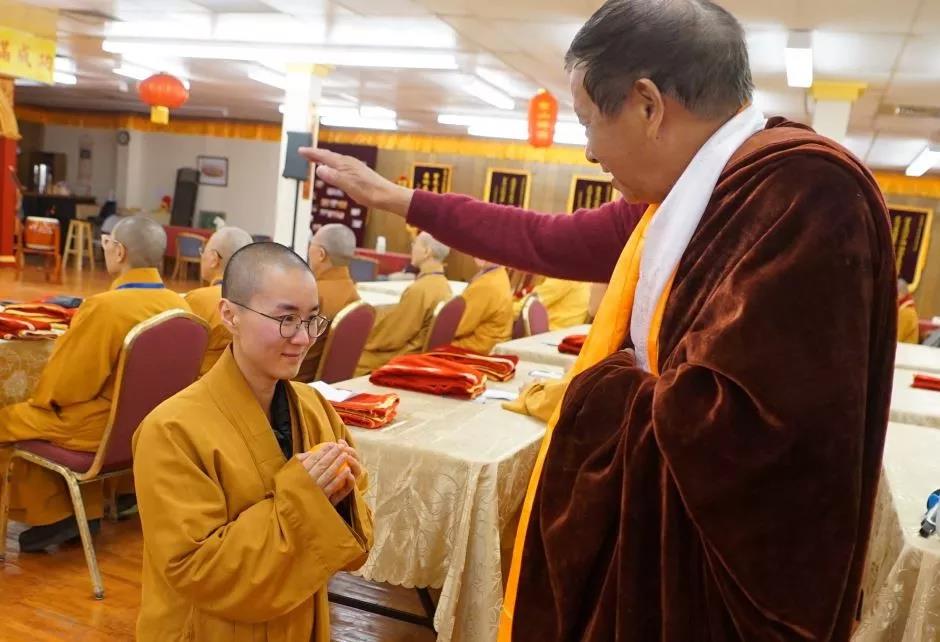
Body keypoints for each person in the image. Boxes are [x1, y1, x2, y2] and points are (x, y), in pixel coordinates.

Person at [299, 1, 896, 639]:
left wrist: (598, 386)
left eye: (588, 120)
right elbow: (546, 238)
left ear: (647, 105)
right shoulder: (692, 194)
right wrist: (401, 200)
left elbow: (751, 439)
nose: (588, 151)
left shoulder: (802, 194)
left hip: (734, 584)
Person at [133, 242, 373, 641]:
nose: (303, 338)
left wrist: (343, 493)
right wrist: (306, 496)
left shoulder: (315, 408)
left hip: (299, 620)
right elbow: (196, 568)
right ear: (230, 315)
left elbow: (355, 535)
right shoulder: (171, 430)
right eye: (286, 319)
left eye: (312, 319)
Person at [0, 215, 190, 551]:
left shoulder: (106, 308)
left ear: (119, 251)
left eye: (107, 244)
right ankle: (82, 510)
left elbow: (66, 387)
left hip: (99, 432)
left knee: (11, 416)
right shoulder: (181, 306)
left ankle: (54, 513)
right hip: (145, 431)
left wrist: (40, 398)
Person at [355, 232, 452, 375]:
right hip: (419, 353)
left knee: (353, 356)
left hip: (405, 356)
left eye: (415, 244)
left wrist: (365, 334)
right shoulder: (443, 284)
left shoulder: (420, 289)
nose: (412, 247)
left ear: (427, 252)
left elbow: (393, 336)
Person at [296, 224, 362, 382]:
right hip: (329, 382)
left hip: (296, 381)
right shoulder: (354, 294)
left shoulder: (311, 295)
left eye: (311, 245)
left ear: (321, 254)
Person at [185, 226, 254, 375]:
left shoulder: (198, 300)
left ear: (214, 259)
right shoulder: (259, 301)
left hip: (203, 385)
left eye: (203, 251)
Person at [451, 258, 513, 354]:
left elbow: (457, 328)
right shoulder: (499, 273)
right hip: (492, 344)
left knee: (433, 343)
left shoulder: (486, 283)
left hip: (478, 348)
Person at [514, 277, 589, 330]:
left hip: (547, 334)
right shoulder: (580, 277)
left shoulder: (563, 278)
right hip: (559, 334)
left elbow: (525, 308)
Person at [897, 279, 920, 344]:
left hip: (905, 348)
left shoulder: (907, 312)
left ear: (900, 293)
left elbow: (896, 338)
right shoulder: (903, 308)